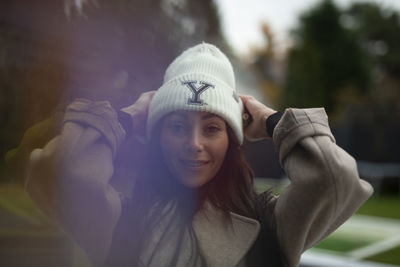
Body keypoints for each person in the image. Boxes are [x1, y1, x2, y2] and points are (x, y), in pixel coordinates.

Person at [26, 43, 373, 267]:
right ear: (157, 134)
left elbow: (335, 179)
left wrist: (273, 122)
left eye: (211, 128)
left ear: (232, 139)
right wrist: (128, 116)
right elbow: (60, 172)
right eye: (176, 126)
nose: (194, 143)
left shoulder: (272, 223)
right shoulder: (119, 220)